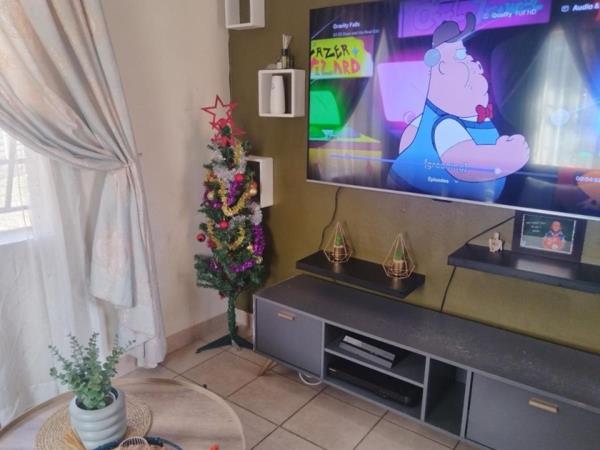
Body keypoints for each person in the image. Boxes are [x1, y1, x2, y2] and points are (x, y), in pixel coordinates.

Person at [388, 13, 530, 202]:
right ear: (441, 68)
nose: (474, 63)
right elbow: (461, 164)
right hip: (415, 193)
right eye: (461, 55)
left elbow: (411, 134)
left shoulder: (442, 115)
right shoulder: (447, 124)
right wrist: (508, 157)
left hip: (426, 195)